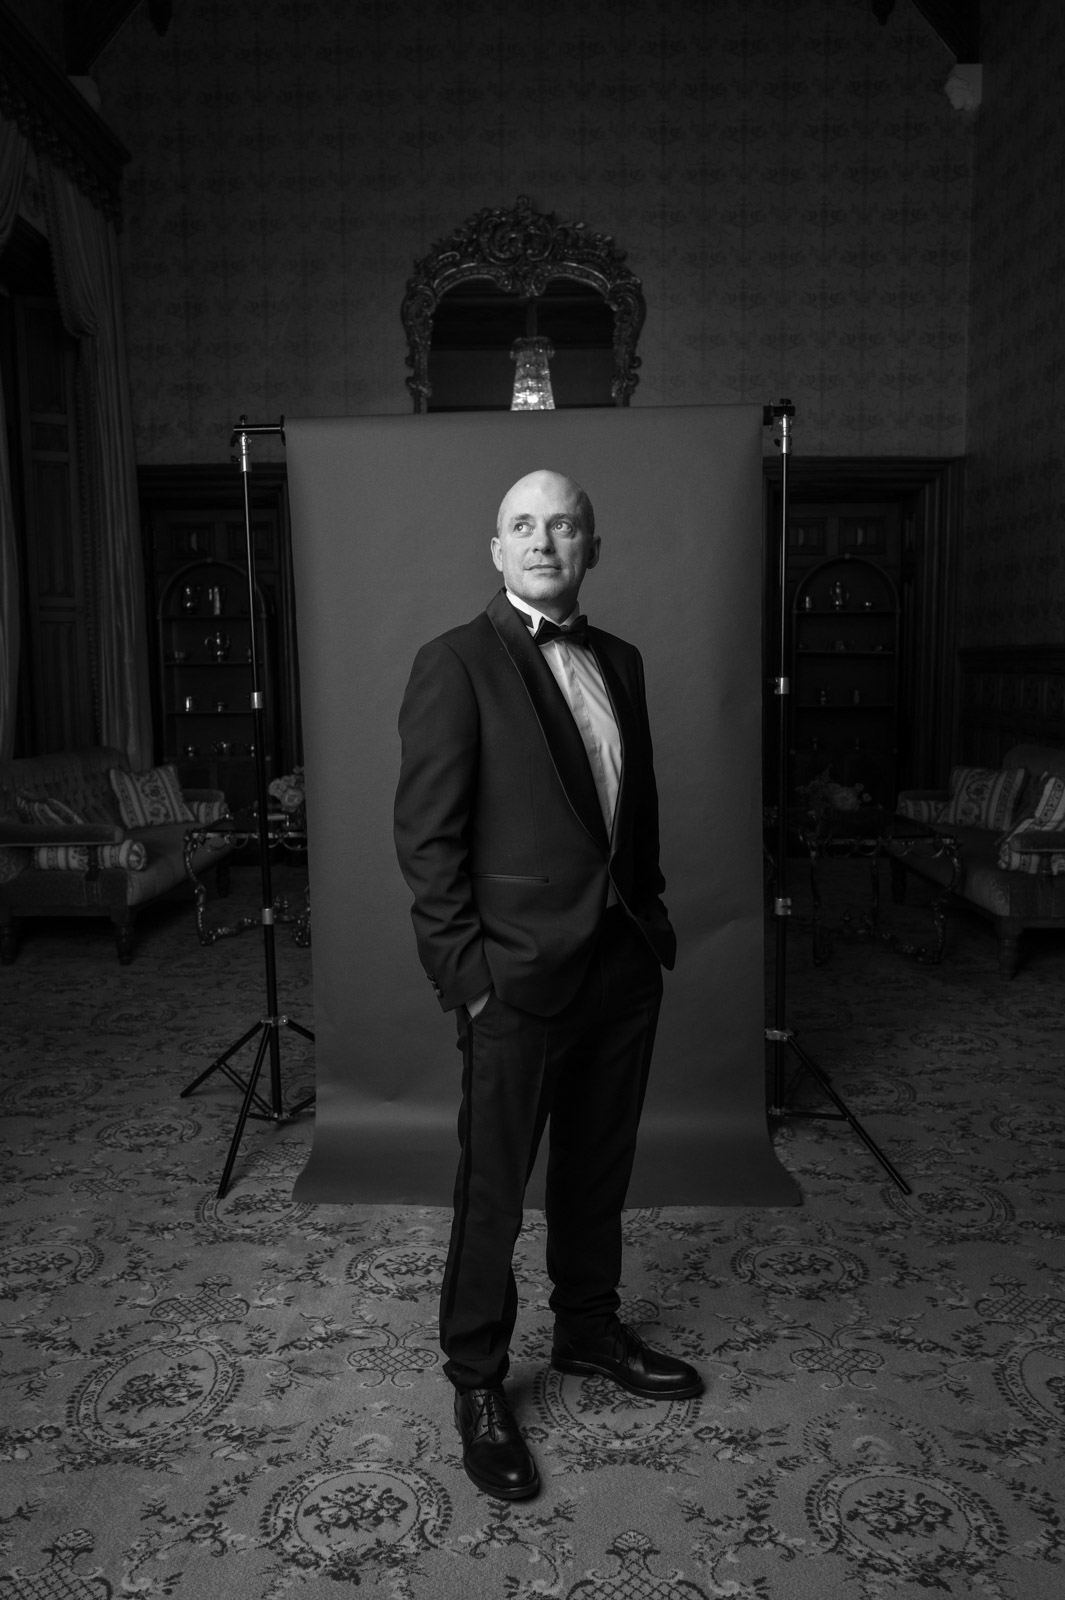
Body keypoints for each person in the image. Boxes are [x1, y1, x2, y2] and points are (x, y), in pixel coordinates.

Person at [393, 467, 702, 1501]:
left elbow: (626, 812)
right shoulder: (454, 663)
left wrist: (645, 921)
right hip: (512, 979)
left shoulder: (623, 660)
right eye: (521, 526)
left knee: (596, 1168)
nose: (541, 541)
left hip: (621, 964)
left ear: (590, 548)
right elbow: (427, 842)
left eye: (562, 526)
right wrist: (470, 980)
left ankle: (588, 1329)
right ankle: (477, 1380)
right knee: (493, 1191)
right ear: (496, 550)